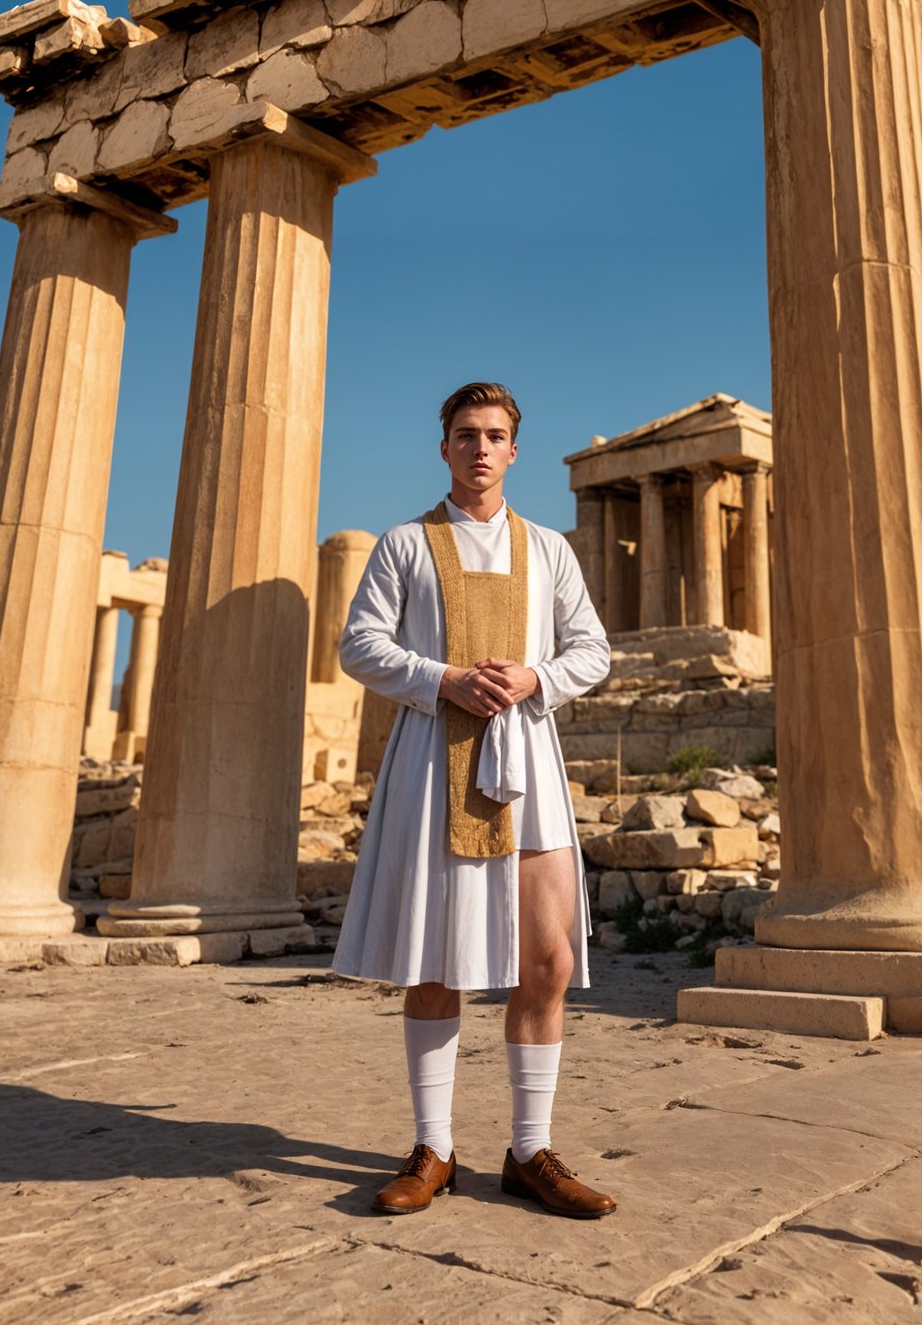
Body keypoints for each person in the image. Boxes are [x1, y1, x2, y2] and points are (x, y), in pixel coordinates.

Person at [333, 381, 615, 1219]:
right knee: (435, 962)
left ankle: (530, 1151)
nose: (481, 448)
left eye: (495, 435)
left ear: (514, 451)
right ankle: (435, 1148)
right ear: (445, 447)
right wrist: (446, 679)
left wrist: (536, 676)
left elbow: (592, 650)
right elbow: (361, 644)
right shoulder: (403, 545)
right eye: (466, 434)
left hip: (527, 756)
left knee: (551, 960)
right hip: (434, 760)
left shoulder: (549, 550)